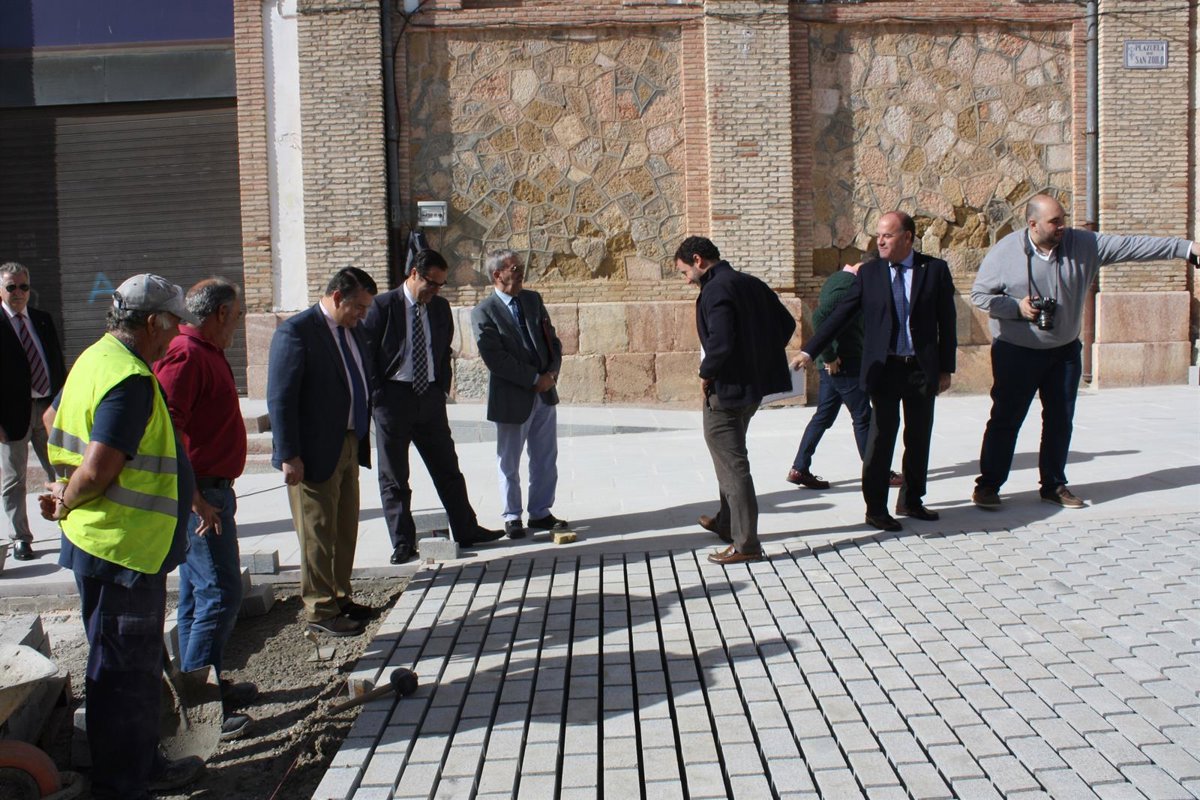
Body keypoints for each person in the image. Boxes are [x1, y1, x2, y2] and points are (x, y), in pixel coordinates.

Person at [41, 273, 204, 799]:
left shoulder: (95, 358)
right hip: (123, 551)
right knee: (123, 675)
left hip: (102, 542)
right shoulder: (129, 379)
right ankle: (124, 784)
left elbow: (51, 416)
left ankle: (139, 764)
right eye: (174, 323)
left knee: (123, 665)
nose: (178, 334)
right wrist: (68, 495)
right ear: (153, 322)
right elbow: (98, 468)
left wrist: (63, 487)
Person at [970, 193, 1199, 510]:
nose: (1062, 226)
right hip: (1016, 352)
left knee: (1060, 420)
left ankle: (1053, 485)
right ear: (1033, 224)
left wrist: (1186, 248)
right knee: (1006, 419)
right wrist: (1016, 308)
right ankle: (988, 486)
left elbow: (1130, 246)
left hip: (1063, 352)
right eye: (1054, 221)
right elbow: (980, 296)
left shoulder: (1083, 244)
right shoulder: (1005, 252)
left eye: (1063, 219)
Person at [793, 211, 957, 532]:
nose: (880, 241)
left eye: (888, 236)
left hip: (920, 369)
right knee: (881, 439)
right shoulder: (870, 274)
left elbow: (947, 322)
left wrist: (946, 368)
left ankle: (911, 500)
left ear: (907, 237)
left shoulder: (934, 270)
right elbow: (839, 315)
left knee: (919, 437)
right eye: (878, 235)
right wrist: (810, 350)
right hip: (884, 370)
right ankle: (876, 509)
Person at [153, 278, 256, 739]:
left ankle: (205, 684)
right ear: (219, 314)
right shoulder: (185, 355)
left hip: (212, 492)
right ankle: (200, 709)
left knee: (199, 597)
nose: (239, 323)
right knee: (220, 593)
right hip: (202, 498)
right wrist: (194, 499)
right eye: (238, 314)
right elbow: (167, 431)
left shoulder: (205, 351)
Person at [360, 249, 504, 564]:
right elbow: (367, 354)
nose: (436, 290)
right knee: (394, 475)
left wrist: (440, 390)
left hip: (429, 397)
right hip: (393, 398)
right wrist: (378, 397)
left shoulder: (439, 307)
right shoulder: (382, 306)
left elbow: (442, 351)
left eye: (441, 284)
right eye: (431, 283)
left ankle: (466, 529)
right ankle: (402, 542)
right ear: (414, 274)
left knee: (447, 468)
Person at [268, 267, 379, 636]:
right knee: (317, 533)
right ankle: (320, 609)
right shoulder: (296, 332)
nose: (363, 314)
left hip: (349, 442)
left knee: (345, 529)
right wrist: (289, 454)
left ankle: (341, 597)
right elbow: (281, 398)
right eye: (359, 307)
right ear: (337, 297)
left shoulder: (354, 330)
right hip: (312, 451)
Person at [675, 236, 796, 565]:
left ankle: (745, 543)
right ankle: (727, 522)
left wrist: (707, 372)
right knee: (728, 457)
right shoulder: (750, 283)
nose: (686, 280)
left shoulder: (716, 289)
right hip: (750, 389)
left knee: (733, 466)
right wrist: (758, 356)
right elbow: (786, 324)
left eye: (684, 272)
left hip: (726, 390)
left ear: (698, 260)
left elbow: (722, 341)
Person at [471, 250, 567, 539]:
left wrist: (551, 373)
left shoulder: (532, 300)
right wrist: (533, 379)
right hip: (512, 398)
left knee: (545, 457)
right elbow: (495, 358)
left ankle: (540, 512)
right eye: (515, 268)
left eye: (521, 266)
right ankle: (512, 516)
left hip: (544, 393)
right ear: (497, 274)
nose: (521, 271)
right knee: (509, 460)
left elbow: (552, 340)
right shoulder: (484, 311)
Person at [786, 258, 901, 491]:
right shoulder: (848, 284)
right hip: (844, 363)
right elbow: (820, 318)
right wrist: (829, 355)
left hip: (838, 364)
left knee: (823, 416)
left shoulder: (841, 279)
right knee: (863, 416)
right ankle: (877, 473)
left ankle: (799, 468)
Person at [1, 262, 66, 561]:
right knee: (14, 480)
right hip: (12, 415)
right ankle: (20, 538)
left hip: (47, 409)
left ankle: (69, 527)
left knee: (61, 471)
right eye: (11, 287)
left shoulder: (42, 319)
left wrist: (63, 404)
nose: (18, 292)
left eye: (23, 286)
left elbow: (56, 363)